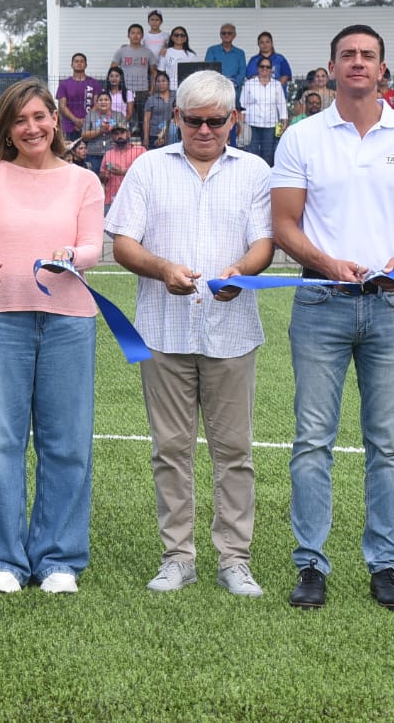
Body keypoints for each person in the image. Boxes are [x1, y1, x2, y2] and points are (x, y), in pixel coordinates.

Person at [271, 24, 394, 612]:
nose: (359, 63)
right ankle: (311, 564)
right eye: (349, 55)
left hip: (391, 304)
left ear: (383, 68)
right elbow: (285, 224)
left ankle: (385, 565)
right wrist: (325, 262)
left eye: (368, 55)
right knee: (313, 439)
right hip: (320, 302)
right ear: (331, 67)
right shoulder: (301, 137)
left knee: (386, 444)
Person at [108, 69, 274, 599]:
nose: (204, 130)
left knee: (235, 451)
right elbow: (123, 245)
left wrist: (239, 273)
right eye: (194, 120)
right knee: (171, 449)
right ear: (175, 116)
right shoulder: (148, 169)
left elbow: (265, 243)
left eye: (216, 121)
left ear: (234, 120)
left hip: (232, 330)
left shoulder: (255, 171)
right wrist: (162, 270)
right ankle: (178, 556)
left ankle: (234, 558)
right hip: (163, 329)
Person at [0, 78, 102, 594]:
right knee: (0, 441)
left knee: (67, 443)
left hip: (69, 322)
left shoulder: (83, 181)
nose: (32, 127)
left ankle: (58, 557)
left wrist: (70, 258)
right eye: (20, 120)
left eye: (40, 117)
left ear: (55, 121)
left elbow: (92, 248)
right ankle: (3, 559)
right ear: (7, 129)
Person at [238, 57, 289, 167]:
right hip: (252, 123)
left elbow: (281, 104)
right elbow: (243, 105)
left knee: (268, 154)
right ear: (257, 68)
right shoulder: (249, 84)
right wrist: (241, 124)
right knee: (252, 153)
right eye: (262, 66)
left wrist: (284, 121)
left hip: (270, 124)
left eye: (268, 67)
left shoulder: (277, 85)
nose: (265, 69)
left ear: (271, 69)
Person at [99, 122, 145, 209]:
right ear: (112, 137)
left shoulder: (140, 150)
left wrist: (123, 172)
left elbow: (145, 174)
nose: (119, 136)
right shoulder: (108, 154)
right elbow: (101, 176)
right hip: (111, 200)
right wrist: (104, 175)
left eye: (122, 133)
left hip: (134, 200)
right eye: (116, 134)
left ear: (128, 134)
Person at [55, 52, 98, 142]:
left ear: (86, 65)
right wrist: (75, 120)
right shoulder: (64, 84)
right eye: (76, 61)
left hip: (90, 127)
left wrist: (85, 121)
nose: (79, 63)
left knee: (88, 154)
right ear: (72, 65)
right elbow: (62, 106)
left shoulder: (94, 83)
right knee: (70, 154)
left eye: (82, 61)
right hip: (69, 127)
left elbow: (97, 104)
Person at [204, 24, 247, 96]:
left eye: (229, 33)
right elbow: (208, 70)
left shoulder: (240, 53)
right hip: (216, 90)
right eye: (223, 33)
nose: (226, 35)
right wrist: (220, 83)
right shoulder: (212, 50)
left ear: (234, 35)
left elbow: (242, 72)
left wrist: (233, 83)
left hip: (234, 90)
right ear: (220, 35)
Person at [81, 93, 117, 175]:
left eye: (106, 99)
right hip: (94, 154)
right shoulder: (90, 115)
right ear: (96, 103)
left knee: (112, 181)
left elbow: (124, 133)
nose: (103, 102)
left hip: (112, 153)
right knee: (94, 178)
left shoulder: (118, 115)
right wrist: (99, 131)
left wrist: (112, 129)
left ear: (111, 102)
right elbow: (83, 135)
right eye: (100, 100)